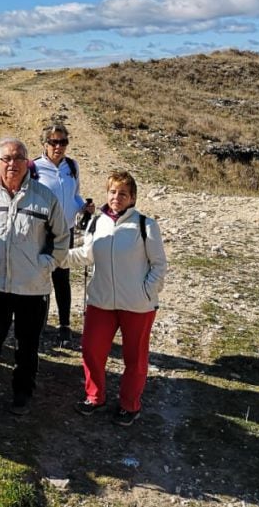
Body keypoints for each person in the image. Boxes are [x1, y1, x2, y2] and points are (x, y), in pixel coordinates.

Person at [0, 137, 69, 417]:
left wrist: (46, 264)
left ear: (27, 163)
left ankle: (22, 392)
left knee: (28, 344)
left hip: (33, 287)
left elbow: (62, 239)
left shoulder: (45, 197)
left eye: (18, 158)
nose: (12, 164)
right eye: (6, 158)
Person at [61, 171, 166, 426]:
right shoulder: (97, 223)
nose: (116, 197)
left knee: (135, 359)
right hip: (101, 301)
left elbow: (159, 265)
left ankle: (129, 405)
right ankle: (94, 396)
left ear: (132, 198)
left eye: (122, 193)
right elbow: (87, 254)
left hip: (138, 306)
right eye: (112, 192)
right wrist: (57, 257)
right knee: (91, 351)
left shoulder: (145, 225)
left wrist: (146, 292)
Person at [33, 123, 95, 347]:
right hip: (41, 231)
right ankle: (38, 326)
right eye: (53, 142)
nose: (58, 146)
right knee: (41, 278)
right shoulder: (34, 168)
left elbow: (74, 195)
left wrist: (83, 207)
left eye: (63, 142)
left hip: (65, 230)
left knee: (62, 278)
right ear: (44, 144)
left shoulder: (72, 166)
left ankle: (65, 327)